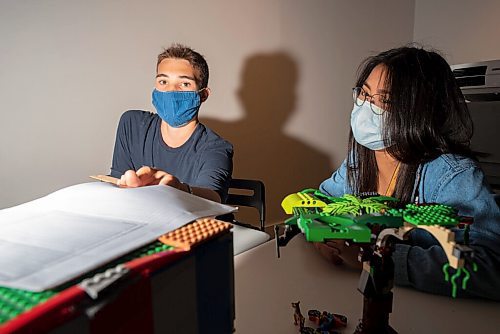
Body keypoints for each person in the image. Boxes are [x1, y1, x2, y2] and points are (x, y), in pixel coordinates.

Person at [317, 45, 500, 300]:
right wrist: (319, 236)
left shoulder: (455, 176)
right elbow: (320, 202)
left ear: (419, 112)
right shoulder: (359, 161)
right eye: (365, 94)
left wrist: (374, 258)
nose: (366, 108)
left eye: (386, 101)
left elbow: (490, 266)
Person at [110, 44, 233, 203]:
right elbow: (117, 185)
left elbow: (213, 199)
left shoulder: (216, 148)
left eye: (184, 84)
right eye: (163, 81)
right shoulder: (132, 125)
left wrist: (180, 190)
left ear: (203, 95)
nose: (170, 90)